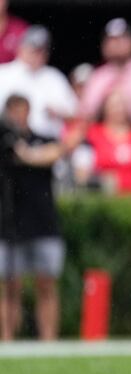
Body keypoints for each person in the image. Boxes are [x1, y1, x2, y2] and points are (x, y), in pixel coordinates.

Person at [0, 95, 66, 341]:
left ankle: (48, 340)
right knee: (9, 287)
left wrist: (23, 153)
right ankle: (6, 340)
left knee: (46, 284)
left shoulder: (42, 139)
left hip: (42, 222)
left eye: (22, 111)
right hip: (9, 224)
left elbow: (55, 152)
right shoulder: (3, 144)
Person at [0, 25, 77, 140]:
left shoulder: (55, 77)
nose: (38, 55)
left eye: (42, 50)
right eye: (33, 49)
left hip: (47, 142)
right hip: (9, 140)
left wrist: (59, 112)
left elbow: (75, 113)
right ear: (21, 47)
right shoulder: (4, 73)